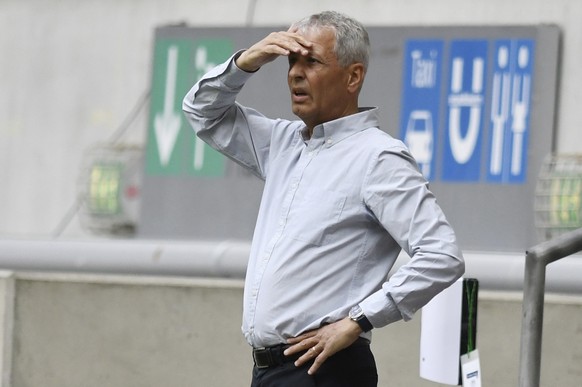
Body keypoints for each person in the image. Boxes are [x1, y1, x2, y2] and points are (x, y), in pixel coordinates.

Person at [183, 10, 464, 387]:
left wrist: (359, 320)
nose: (295, 73)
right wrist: (246, 62)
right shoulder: (285, 142)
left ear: (353, 76)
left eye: (311, 61)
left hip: (324, 369)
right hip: (272, 370)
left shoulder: (377, 156)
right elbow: (203, 112)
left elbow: (441, 255)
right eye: (290, 61)